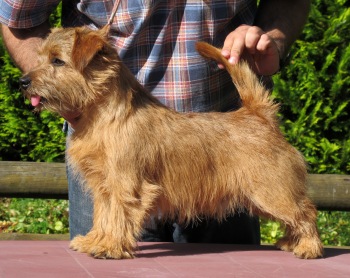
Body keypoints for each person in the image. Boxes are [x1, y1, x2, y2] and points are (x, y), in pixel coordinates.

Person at [0, 0, 311, 244]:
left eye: (55, 63)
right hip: (96, 118)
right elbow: (18, 20)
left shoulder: (93, 56)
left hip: (229, 131)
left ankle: (302, 228)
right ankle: (107, 235)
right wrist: (57, 83)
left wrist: (270, 39)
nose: (35, 75)